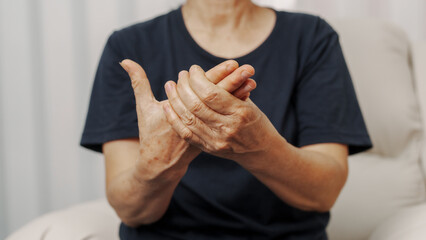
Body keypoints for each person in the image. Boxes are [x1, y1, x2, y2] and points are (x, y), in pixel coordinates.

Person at [80, 0, 372, 239]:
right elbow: (131, 210)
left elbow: (324, 192)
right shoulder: (128, 45)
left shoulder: (312, 38)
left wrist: (259, 146)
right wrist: (163, 161)